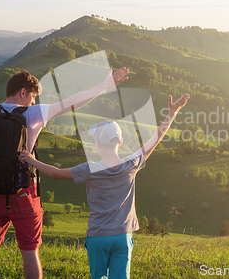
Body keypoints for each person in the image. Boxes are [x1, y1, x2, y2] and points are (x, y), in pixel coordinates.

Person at [0, 67, 129, 279]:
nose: (33, 102)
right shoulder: (32, 114)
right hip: (24, 192)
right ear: (23, 92)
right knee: (29, 251)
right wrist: (104, 86)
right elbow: (71, 103)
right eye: (32, 97)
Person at [19, 93, 190, 279]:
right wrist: (172, 112)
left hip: (98, 236)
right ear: (120, 142)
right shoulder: (131, 164)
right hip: (122, 236)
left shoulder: (90, 169)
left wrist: (31, 160)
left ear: (97, 143)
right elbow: (156, 138)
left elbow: (56, 174)